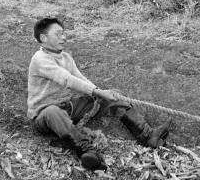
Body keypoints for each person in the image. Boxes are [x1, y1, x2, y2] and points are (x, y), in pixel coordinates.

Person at [27, 17, 172, 171]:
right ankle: (88, 152)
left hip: (69, 108)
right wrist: (97, 91)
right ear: (43, 38)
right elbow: (67, 79)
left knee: (113, 97)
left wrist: (99, 93)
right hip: (45, 116)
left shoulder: (66, 58)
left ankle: (148, 136)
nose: (64, 37)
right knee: (53, 112)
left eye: (63, 33)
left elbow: (80, 78)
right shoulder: (39, 59)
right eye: (58, 34)